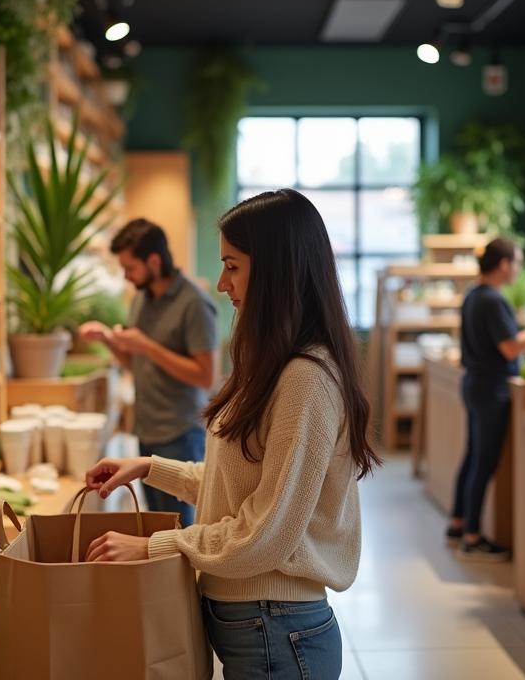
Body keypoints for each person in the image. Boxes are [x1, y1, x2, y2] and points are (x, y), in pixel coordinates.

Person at [80, 190, 380, 680]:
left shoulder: (305, 378)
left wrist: (159, 544)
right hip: (258, 624)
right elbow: (241, 485)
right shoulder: (273, 363)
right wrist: (152, 469)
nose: (221, 283)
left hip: (276, 627)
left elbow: (267, 531)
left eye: (233, 266)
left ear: (277, 269)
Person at [78, 219, 218, 527]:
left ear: (154, 260)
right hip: (147, 430)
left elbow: (207, 377)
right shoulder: (141, 298)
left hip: (179, 433)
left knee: (178, 527)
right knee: (155, 524)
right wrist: (107, 339)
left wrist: (147, 345)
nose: (127, 276)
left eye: (130, 268)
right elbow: (135, 364)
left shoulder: (194, 303)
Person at [448, 238, 525, 561]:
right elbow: (510, 347)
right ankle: (472, 536)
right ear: (504, 264)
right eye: (517, 262)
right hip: (492, 388)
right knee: (483, 461)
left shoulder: (474, 294)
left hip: (475, 384)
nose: (518, 269)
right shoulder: (492, 300)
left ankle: (458, 522)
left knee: (472, 455)